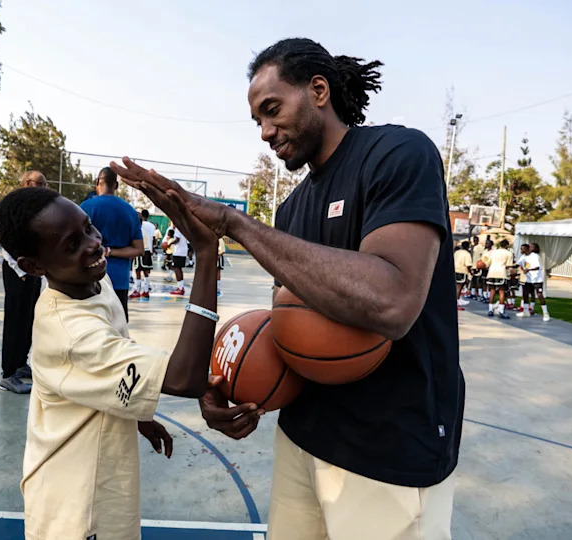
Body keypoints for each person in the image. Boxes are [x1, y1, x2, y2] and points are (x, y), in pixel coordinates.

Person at [112, 37, 463, 539]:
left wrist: (238, 224)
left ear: (318, 90)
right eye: (256, 120)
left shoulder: (398, 153)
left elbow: (393, 302)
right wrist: (229, 382)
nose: (265, 131)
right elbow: (294, 322)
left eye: (272, 111)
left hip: (392, 448)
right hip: (304, 436)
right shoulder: (291, 210)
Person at [0, 185, 218, 539]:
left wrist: (139, 414)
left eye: (88, 227)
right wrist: (206, 256)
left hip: (101, 488)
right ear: (33, 266)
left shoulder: (92, 284)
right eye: (72, 244)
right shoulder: (69, 332)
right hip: (76, 506)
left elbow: (116, 362)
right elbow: (184, 378)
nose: (93, 243)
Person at [0, 170, 50, 395]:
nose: (44, 188)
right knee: (15, 319)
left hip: (33, 271)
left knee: (29, 317)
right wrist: (20, 269)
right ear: (28, 183)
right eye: (41, 183)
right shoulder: (13, 205)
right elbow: (5, 239)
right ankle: (8, 373)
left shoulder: (36, 209)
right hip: (16, 270)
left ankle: (20, 362)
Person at [79, 167, 144, 319]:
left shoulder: (85, 208)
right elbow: (139, 249)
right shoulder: (130, 211)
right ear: (116, 185)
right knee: (118, 327)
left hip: (90, 280)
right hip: (119, 281)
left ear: (97, 183)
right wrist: (110, 251)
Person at [130, 209, 158, 301]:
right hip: (148, 251)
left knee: (138, 271)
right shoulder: (150, 227)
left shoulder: (138, 231)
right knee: (146, 272)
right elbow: (153, 238)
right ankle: (145, 290)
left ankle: (137, 290)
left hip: (141, 251)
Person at [485, 239, 514, 319]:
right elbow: (508, 265)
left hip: (491, 272)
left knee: (492, 291)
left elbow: (487, 263)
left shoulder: (493, 252)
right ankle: (501, 310)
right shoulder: (509, 253)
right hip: (501, 273)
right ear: (507, 245)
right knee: (502, 292)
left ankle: (490, 310)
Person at [168, 226, 189, 296]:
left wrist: (170, 243)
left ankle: (180, 288)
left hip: (178, 252)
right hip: (183, 251)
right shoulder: (184, 228)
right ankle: (181, 287)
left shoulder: (178, 229)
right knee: (179, 269)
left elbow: (177, 239)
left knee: (177, 269)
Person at [453, 241, 473, 310]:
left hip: (454, 270)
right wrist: (471, 272)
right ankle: (456, 303)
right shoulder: (467, 254)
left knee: (454, 287)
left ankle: (454, 301)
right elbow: (468, 265)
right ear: (468, 247)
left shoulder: (457, 252)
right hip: (462, 271)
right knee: (459, 288)